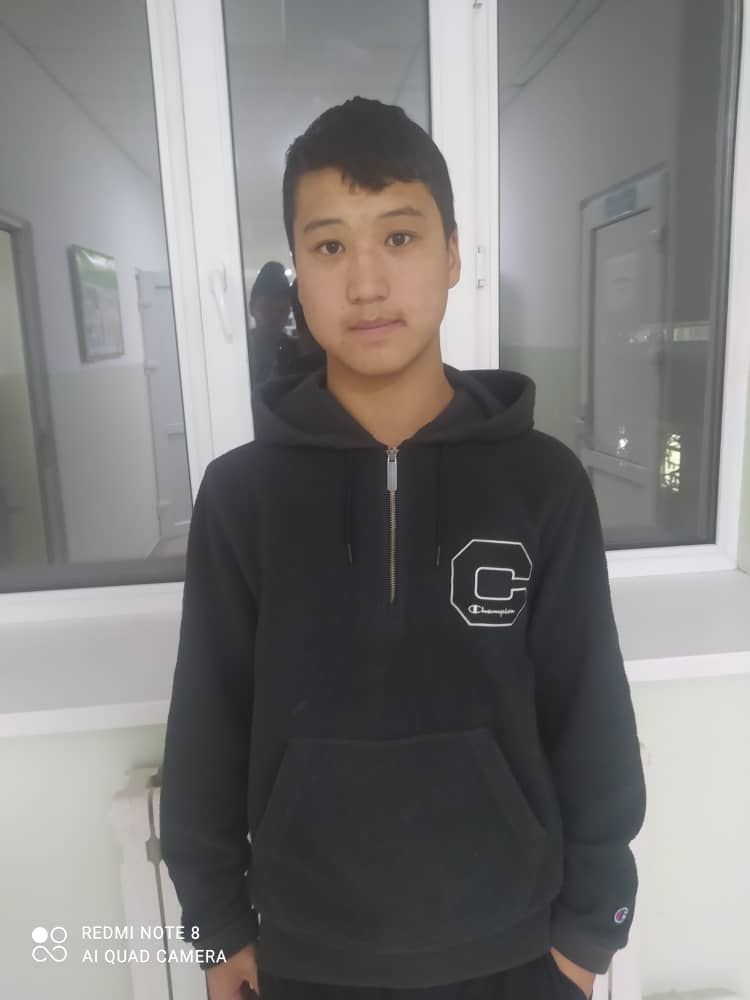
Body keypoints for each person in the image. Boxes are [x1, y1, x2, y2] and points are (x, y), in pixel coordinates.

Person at [159, 96, 647, 1000]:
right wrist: (215, 928)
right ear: (297, 274)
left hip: (516, 950)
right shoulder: (241, 498)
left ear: (453, 254)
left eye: (399, 236)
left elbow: (590, 714)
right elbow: (206, 727)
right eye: (329, 246)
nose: (367, 283)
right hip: (305, 954)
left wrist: (590, 930)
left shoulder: (541, 482)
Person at [246, 261, 298, 391]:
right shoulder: (243, 350)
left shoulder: (296, 350)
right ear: (252, 307)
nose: (275, 317)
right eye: (267, 308)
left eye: (282, 310)